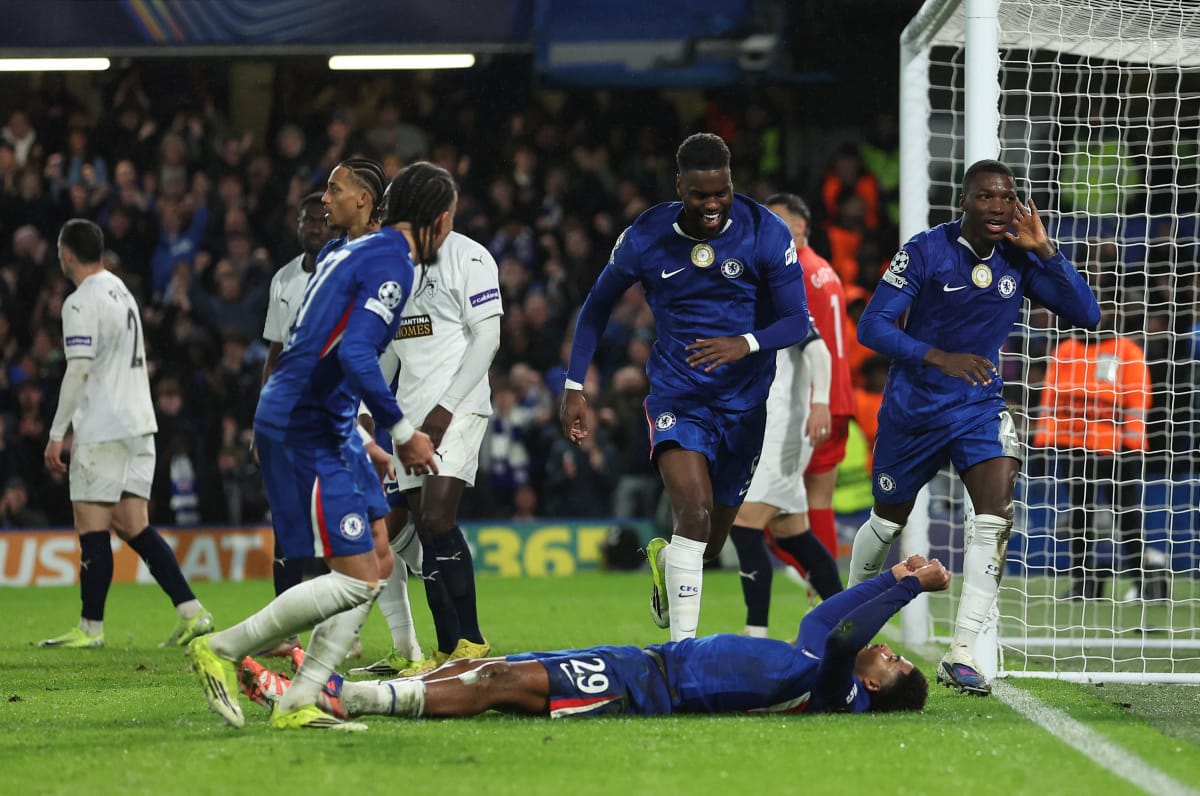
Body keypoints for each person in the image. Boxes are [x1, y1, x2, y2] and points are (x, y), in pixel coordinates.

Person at [186, 162, 453, 732]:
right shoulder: (390, 265)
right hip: (305, 422)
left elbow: (318, 346)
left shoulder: (342, 253)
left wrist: (364, 439)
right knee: (356, 574)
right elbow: (356, 353)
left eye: (335, 189)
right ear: (440, 220)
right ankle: (224, 649)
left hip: (325, 419)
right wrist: (402, 434)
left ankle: (302, 698)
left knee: (380, 554)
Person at [845, 159, 1100, 697]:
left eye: (1007, 198)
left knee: (996, 512)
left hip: (978, 409)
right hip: (913, 410)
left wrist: (1046, 250)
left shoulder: (1018, 256)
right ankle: (847, 626)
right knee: (888, 522)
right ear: (964, 202)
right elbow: (872, 325)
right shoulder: (925, 251)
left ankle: (962, 652)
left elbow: (1088, 315)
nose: (999, 207)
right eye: (987, 197)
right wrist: (938, 357)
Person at [559, 133, 812, 641]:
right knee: (691, 514)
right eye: (701, 194)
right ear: (681, 187)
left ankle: (666, 566)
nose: (714, 204)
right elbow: (596, 307)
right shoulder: (647, 235)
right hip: (679, 396)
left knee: (710, 542)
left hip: (744, 405)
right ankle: (683, 653)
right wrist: (574, 384)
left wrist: (744, 343)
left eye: (722, 191)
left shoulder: (766, 231)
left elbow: (796, 322)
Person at [239, 556, 951, 720]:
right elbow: (831, 618)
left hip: (649, 690)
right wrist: (894, 574)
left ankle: (350, 702)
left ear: (877, 688)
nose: (884, 649)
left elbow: (839, 638)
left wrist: (911, 591)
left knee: (496, 684)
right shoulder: (810, 657)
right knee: (497, 665)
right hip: (647, 663)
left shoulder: (830, 686)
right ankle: (336, 688)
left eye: (891, 660)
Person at [40, 219, 215, 649]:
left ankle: (90, 629)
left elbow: (79, 368)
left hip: (103, 427)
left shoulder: (80, 301)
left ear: (66, 254)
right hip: (140, 424)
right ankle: (193, 612)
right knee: (133, 524)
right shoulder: (122, 290)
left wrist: (57, 432)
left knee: (91, 525)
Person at [352, 228, 504, 679]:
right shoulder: (394, 270)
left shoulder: (470, 257)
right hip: (409, 418)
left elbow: (487, 339)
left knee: (438, 518)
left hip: (457, 408)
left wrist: (445, 408)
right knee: (424, 527)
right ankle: (444, 649)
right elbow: (387, 357)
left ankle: (472, 640)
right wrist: (365, 410)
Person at [729, 193, 854, 636]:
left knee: (744, 525)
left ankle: (755, 634)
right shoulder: (770, 281)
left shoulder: (793, 278)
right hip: (781, 415)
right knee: (792, 531)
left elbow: (815, 345)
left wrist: (821, 401)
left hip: (789, 420)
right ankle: (843, 624)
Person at [1031, 278, 1153, 600]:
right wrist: (1045, 439)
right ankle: (1083, 584)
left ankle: (1142, 583)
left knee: (1127, 515)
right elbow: (1049, 399)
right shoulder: (1065, 351)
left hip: (1116, 451)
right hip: (1074, 447)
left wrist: (1132, 445)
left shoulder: (1127, 352)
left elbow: (1137, 402)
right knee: (1079, 515)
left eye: (1106, 308)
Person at [259, 192, 335, 604]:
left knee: (330, 516)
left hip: (334, 411)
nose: (314, 227)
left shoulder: (346, 272)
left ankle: (341, 623)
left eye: (321, 220)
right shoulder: (284, 279)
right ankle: (283, 627)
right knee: (287, 516)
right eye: (307, 221)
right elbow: (275, 354)